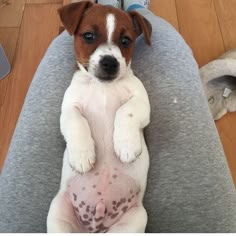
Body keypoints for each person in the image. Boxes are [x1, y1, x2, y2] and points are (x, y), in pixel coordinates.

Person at [0, 0, 236, 233]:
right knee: (57, 216)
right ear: (71, 30)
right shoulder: (77, 85)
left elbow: (142, 109)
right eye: (90, 37)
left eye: (124, 41)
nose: (110, 55)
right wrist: (77, 136)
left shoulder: (132, 85)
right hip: (71, 208)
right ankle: (134, 5)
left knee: (137, 218)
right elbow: (69, 115)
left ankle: (121, 7)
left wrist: (128, 121)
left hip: (126, 213)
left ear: (137, 39)